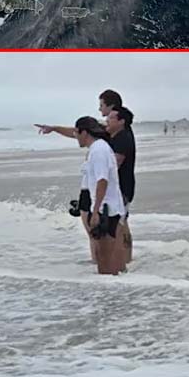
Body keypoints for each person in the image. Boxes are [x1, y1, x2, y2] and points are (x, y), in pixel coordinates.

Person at [75, 116, 127, 275]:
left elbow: (102, 180)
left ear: (84, 132)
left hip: (106, 209)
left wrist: (95, 210)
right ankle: (119, 291)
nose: (75, 137)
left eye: (76, 133)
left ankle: (109, 296)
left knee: (103, 258)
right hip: (111, 207)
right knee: (110, 257)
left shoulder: (98, 150)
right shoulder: (101, 147)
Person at [106, 105, 136, 267]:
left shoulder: (122, 138)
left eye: (111, 118)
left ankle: (122, 262)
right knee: (122, 224)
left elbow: (114, 165)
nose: (106, 121)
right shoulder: (117, 136)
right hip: (124, 187)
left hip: (122, 188)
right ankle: (126, 260)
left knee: (119, 225)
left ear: (121, 121)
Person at [36, 89, 123, 140]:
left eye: (101, 105)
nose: (99, 109)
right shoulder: (108, 128)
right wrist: (54, 128)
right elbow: (79, 132)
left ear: (111, 106)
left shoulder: (120, 132)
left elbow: (117, 160)